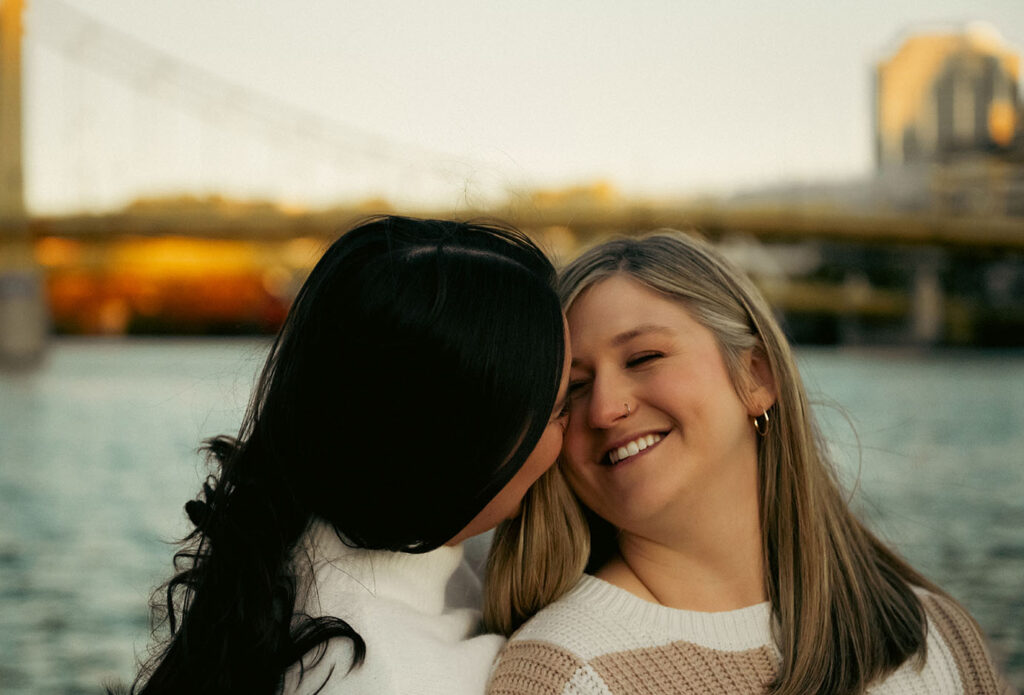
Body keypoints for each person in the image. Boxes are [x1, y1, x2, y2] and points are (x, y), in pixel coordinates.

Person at [485, 231, 1011, 695]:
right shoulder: (562, 674)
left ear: (756, 375)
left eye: (643, 358)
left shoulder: (935, 637)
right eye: (574, 389)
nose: (603, 408)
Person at [123, 216, 571, 695]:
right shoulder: (374, 675)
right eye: (559, 408)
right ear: (456, 440)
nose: (584, 422)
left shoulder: (291, 565)